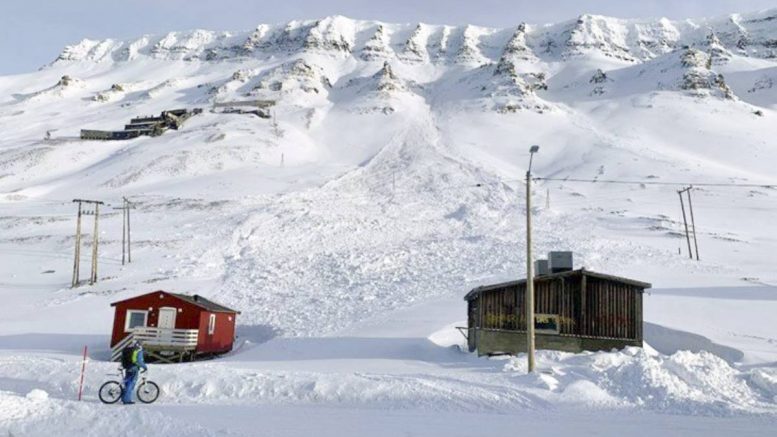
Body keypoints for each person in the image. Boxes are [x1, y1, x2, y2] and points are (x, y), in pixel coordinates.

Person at [121, 340, 148, 405]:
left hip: (128, 367)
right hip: (134, 368)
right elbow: (139, 361)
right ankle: (127, 400)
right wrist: (145, 367)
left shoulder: (131, 349)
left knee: (127, 383)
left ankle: (124, 398)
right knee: (131, 383)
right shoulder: (139, 350)